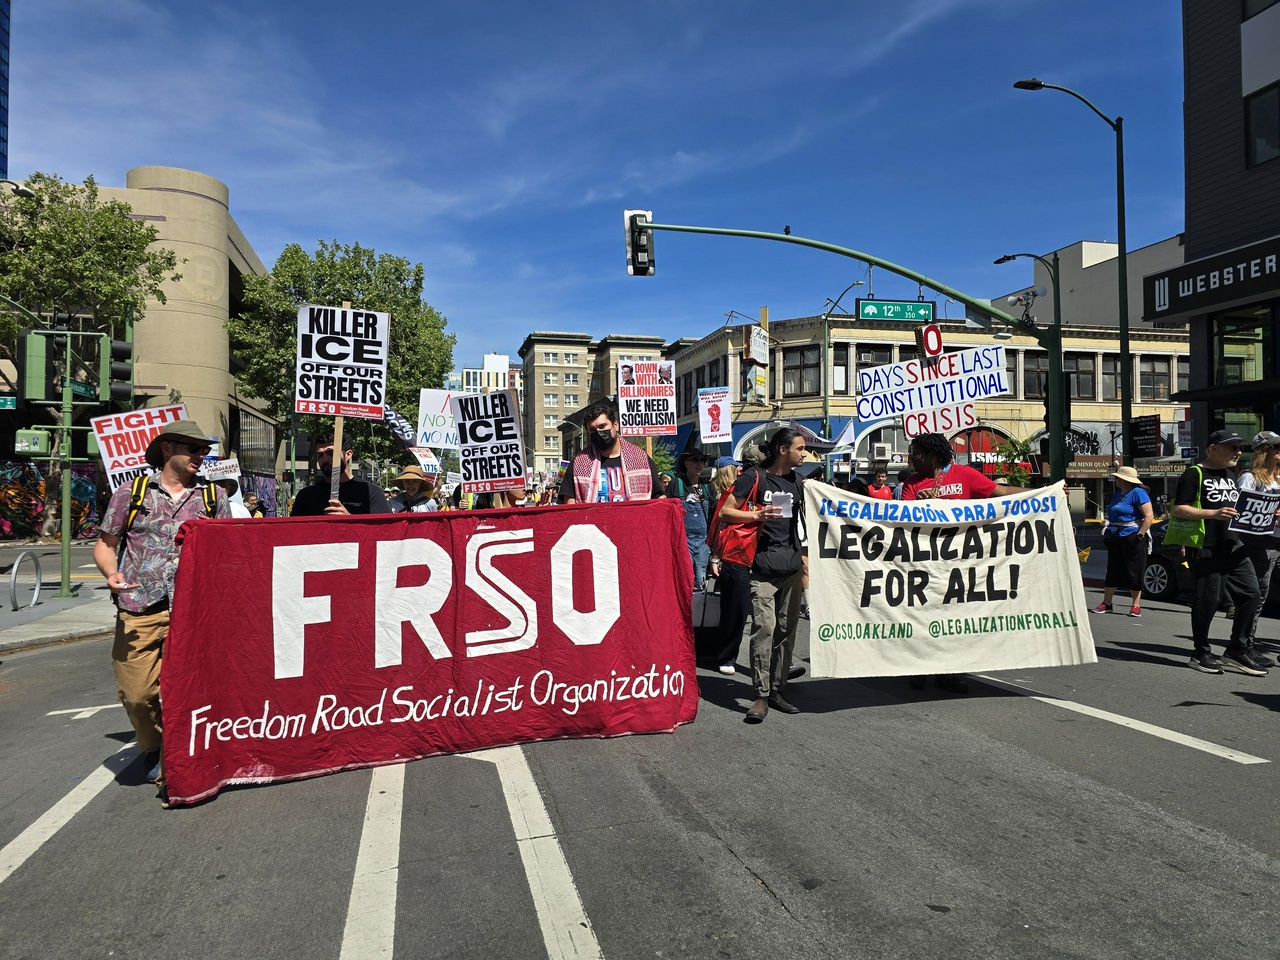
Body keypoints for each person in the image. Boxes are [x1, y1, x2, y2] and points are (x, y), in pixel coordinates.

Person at [93, 419, 231, 803]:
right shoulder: (131, 493)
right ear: (168, 449)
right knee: (136, 694)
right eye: (193, 449)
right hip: (140, 608)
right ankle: (154, 745)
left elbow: (230, 549)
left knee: (190, 691)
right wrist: (112, 572)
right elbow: (106, 544)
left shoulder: (212, 496)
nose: (201, 456)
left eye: (204, 450)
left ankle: (177, 760)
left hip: (194, 610)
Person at [900, 433, 1020, 693]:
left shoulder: (964, 474)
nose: (911, 458)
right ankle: (919, 667)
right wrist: (917, 507)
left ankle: (950, 673)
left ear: (932, 455)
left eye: (916, 453)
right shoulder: (911, 484)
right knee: (922, 616)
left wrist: (1046, 491)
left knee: (953, 618)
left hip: (959, 562)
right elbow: (901, 521)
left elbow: (1002, 492)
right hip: (924, 563)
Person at [718, 428, 807, 723]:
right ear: (783, 450)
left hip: (791, 570)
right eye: (800, 448)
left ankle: (778, 690)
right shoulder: (753, 477)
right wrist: (756, 515)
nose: (804, 453)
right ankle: (761, 694)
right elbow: (725, 513)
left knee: (785, 632)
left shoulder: (799, 482)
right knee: (764, 629)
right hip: (762, 570)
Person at [1174, 429, 1265, 675]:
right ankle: (1200, 653)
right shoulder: (1194, 473)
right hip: (1206, 545)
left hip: (1233, 544)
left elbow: (1239, 509)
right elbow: (1179, 509)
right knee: (1208, 601)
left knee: (1251, 594)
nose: (1238, 452)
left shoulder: (1229, 474)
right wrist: (1211, 514)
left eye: (1239, 447)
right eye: (1232, 447)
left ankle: (1237, 649)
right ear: (1213, 448)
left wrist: (1266, 516)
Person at [1234, 430, 1280, 669]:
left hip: (1276, 543)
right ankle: (1245, 646)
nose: (1279, 451)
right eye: (1276, 447)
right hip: (1259, 542)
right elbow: (1239, 512)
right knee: (1258, 595)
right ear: (1264, 451)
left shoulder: (1279, 478)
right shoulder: (1250, 478)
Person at [559, 401, 663, 503]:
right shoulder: (578, 463)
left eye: (602, 426)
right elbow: (569, 503)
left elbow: (658, 498)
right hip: (592, 520)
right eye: (592, 430)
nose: (599, 433)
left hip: (632, 519)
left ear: (616, 425)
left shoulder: (641, 459)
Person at [1090, 465, 1153, 617]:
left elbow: (1149, 515)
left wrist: (1140, 535)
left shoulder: (1138, 493)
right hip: (1115, 535)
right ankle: (1107, 602)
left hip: (1132, 534)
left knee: (1134, 570)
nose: (1115, 479)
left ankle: (1136, 605)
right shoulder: (1118, 493)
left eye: (1118, 477)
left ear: (1124, 479)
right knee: (1113, 569)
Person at [291, 432, 391, 516]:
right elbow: (293, 533)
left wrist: (349, 520)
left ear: (348, 454)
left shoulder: (370, 492)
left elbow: (383, 533)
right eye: (320, 455)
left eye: (331, 453)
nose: (325, 459)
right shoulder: (306, 495)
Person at [666, 449, 713, 593]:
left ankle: (697, 614)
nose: (700, 463)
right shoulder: (676, 484)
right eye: (696, 459)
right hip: (683, 540)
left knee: (700, 581)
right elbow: (666, 513)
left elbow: (714, 515)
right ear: (686, 463)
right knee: (683, 580)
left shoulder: (708, 487)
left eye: (702, 460)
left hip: (704, 542)